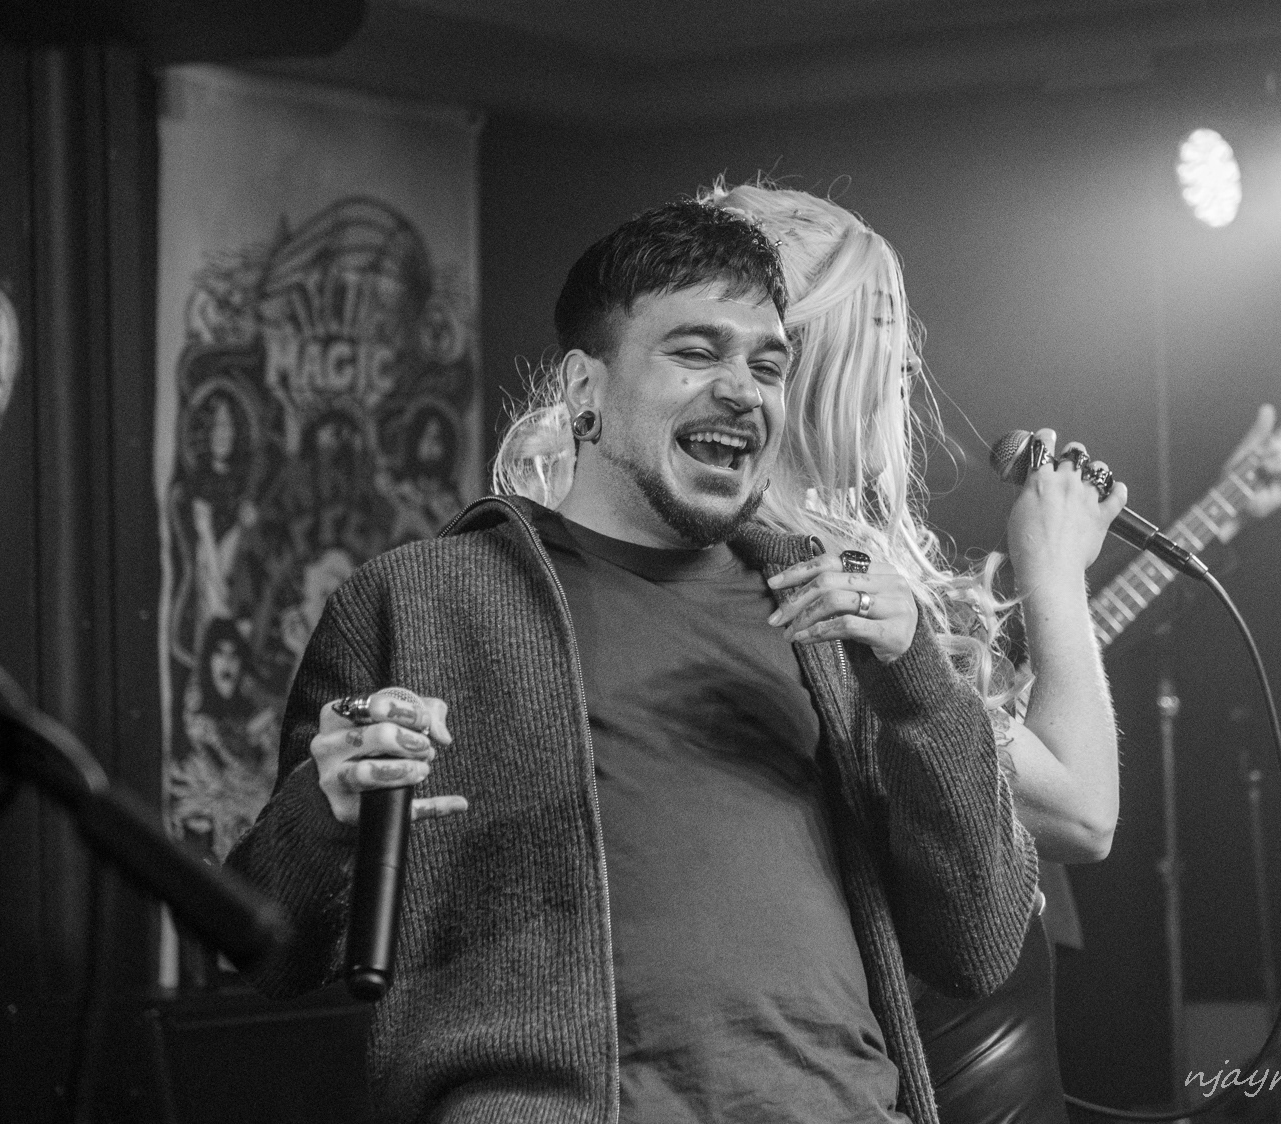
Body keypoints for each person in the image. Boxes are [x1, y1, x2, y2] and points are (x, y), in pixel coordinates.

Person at [229, 199, 1121, 1122]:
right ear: (584, 388)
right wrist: (325, 812)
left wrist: (917, 684)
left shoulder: (837, 620)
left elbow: (977, 944)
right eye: (696, 352)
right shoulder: (423, 603)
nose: (742, 390)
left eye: (768, 365)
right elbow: (272, 949)